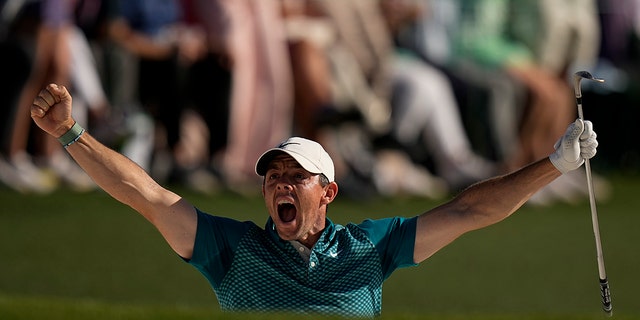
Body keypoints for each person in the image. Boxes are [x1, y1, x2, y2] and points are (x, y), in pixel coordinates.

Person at [30, 83, 598, 317]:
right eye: (272, 174)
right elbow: (147, 196)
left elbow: (470, 210)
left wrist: (554, 165)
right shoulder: (231, 251)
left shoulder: (370, 248)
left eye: (295, 176)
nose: (280, 183)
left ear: (326, 192)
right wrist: (69, 134)